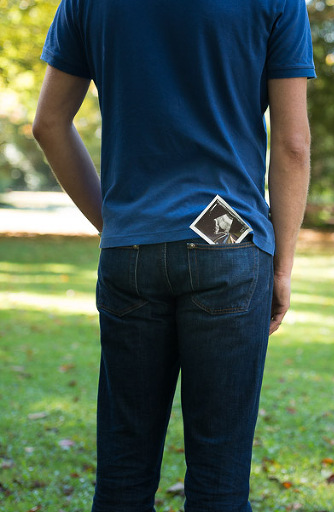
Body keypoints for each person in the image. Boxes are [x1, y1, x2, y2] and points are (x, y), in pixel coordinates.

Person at [32, 1, 314, 510]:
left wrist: (116, 223)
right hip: (229, 247)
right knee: (220, 479)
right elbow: (292, 145)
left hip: (130, 249)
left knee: (123, 473)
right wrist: (283, 268)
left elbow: (48, 124)